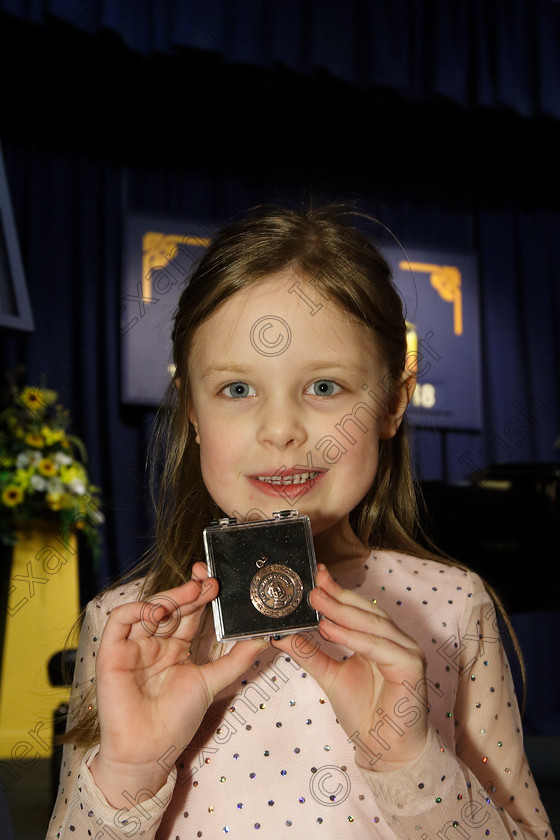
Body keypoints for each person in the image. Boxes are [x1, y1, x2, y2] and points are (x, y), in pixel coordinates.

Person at [47, 204, 553, 839]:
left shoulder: (453, 604)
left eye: (324, 387)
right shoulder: (125, 628)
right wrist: (128, 773)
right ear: (192, 412)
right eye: (237, 389)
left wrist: (411, 761)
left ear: (395, 400)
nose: (282, 430)